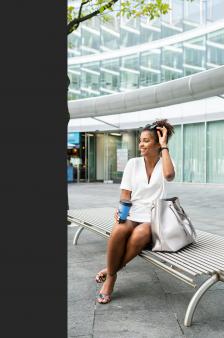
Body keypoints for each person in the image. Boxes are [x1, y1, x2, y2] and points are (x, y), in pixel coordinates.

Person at [95, 119, 176, 304]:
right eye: (140, 140)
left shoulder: (166, 162)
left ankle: (110, 273)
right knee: (119, 230)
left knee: (140, 234)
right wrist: (121, 212)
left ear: (158, 143)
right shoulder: (133, 163)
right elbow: (125, 195)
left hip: (154, 217)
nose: (141, 144)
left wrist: (165, 147)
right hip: (133, 212)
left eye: (146, 140)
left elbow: (170, 176)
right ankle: (112, 275)